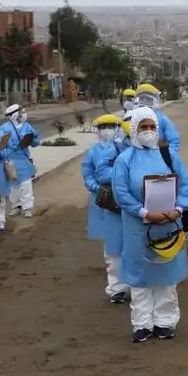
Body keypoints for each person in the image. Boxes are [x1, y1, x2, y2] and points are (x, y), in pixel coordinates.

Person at [111, 106, 188, 342]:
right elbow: (121, 193)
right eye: (143, 127)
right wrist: (145, 212)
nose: (148, 131)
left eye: (152, 126)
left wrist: (178, 209)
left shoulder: (168, 155)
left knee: (166, 274)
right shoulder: (124, 160)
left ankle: (165, 322)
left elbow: (185, 185)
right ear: (134, 130)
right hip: (138, 228)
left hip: (168, 225)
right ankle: (142, 324)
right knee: (140, 276)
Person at [82, 114, 129, 304]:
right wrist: (97, 188)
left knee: (131, 241)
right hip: (103, 201)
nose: (107, 130)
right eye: (103, 127)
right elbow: (88, 174)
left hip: (127, 201)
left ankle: (132, 282)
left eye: (111, 126)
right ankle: (116, 288)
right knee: (112, 244)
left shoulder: (125, 148)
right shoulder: (93, 152)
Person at [0, 104, 42, 218]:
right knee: (13, 186)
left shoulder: (27, 126)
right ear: (14, 115)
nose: (24, 114)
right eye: (21, 112)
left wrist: (34, 137)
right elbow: (0, 147)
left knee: (26, 185)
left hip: (23, 160)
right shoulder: (4, 129)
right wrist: (9, 151)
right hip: (10, 161)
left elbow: (35, 143)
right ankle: (16, 206)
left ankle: (27, 208)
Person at [134, 83, 181, 152]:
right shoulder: (133, 117)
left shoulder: (162, 119)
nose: (145, 101)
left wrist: (167, 155)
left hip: (157, 155)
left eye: (148, 99)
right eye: (142, 98)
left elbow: (174, 141)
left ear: (154, 100)